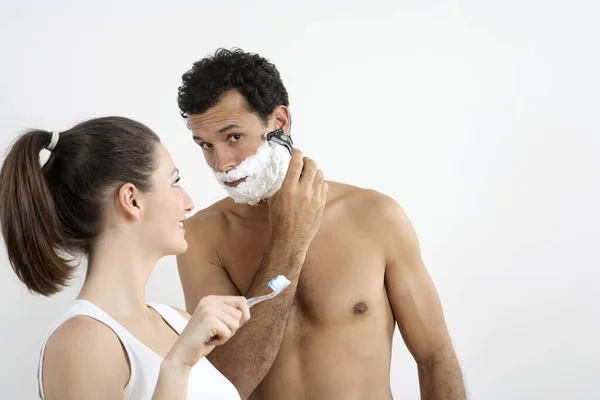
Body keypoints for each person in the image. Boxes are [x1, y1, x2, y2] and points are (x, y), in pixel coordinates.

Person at [176, 48, 466, 399]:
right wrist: (288, 238)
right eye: (206, 145)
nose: (221, 163)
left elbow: (434, 358)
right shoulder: (203, 236)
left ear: (279, 123)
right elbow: (226, 384)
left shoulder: (375, 217)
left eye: (233, 137)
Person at [0, 117, 324, 399]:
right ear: (132, 200)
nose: (189, 202)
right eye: (175, 183)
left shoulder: (178, 321)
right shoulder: (79, 344)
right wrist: (176, 366)